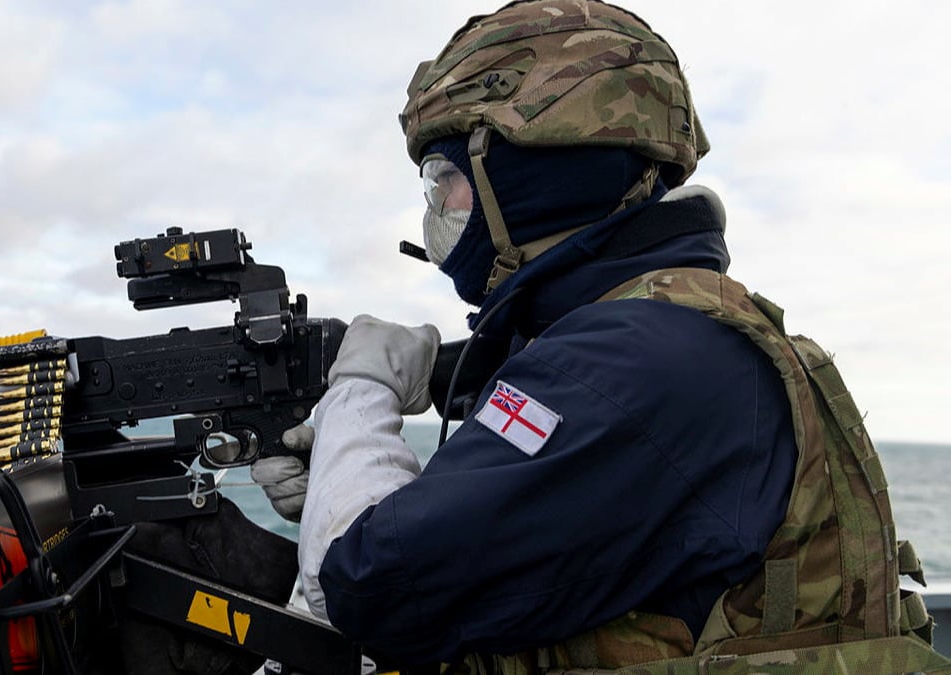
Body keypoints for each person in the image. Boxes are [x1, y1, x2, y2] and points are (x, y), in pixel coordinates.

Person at [254, 1, 947, 671]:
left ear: (535, 173)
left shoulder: (626, 366)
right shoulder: (676, 326)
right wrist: (345, 469)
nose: (439, 207)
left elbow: (361, 583)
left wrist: (360, 389)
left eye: (448, 179)